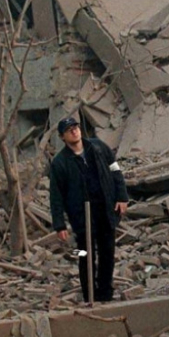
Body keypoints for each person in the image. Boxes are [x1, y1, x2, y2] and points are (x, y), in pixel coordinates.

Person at [49, 117, 129, 302]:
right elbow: (56, 195)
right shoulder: (60, 163)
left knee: (107, 252)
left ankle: (105, 294)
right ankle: (89, 296)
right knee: (85, 255)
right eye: (69, 130)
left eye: (75, 127)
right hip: (81, 216)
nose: (74, 131)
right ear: (62, 137)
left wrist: (122, 196)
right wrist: (59, 224)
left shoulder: (98, 147)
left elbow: (115, 170)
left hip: (105, 209)